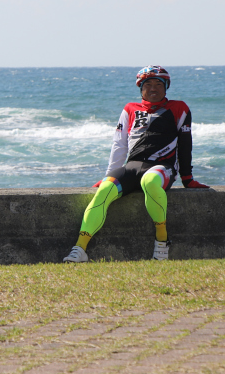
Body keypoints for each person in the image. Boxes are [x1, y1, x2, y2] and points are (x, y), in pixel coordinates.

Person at [63, 66, 209, 263]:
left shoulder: (179, 108)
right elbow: (119, 144)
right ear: (141, 89)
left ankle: (162, 241)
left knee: (150, 181)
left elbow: (185, 144)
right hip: (132, 166)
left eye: (159, 84)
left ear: (166, 88)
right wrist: (108, 174)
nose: (153, 88)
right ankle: (80, 249)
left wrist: (187, 178)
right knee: (105, 189)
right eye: (148, 84)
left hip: (161, 168)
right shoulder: (130, 109)